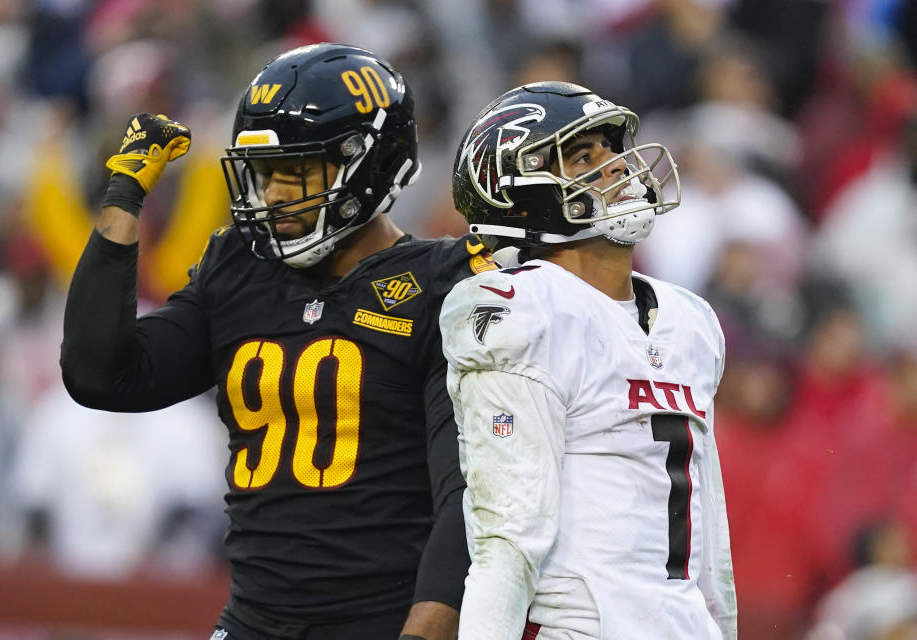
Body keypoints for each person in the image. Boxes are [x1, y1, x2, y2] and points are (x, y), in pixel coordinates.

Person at [61, 43, 493, 640]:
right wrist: (123, 199)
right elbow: (101, 374)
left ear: (369, 163)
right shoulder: (240, 265)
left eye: (298, 170)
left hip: (382, 618)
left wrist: (427, 628)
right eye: (266, 173)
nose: (277, 194)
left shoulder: (444, 283)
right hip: (253, 620)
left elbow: (470, 495)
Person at [439, 82, 738, 639]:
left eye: (610, 150)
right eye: (583, 157)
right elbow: (507, 537)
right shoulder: (523, 308)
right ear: (522, 195)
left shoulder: (688, 319)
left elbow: (710, 537)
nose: (617, 166)